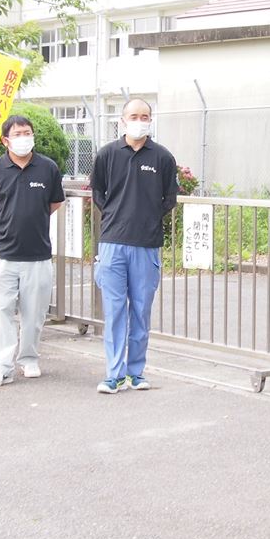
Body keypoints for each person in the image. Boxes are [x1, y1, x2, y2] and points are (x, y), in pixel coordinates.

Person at [90, 97, 178, 394]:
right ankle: (113, 374)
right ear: (123, 120)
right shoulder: (107, 154)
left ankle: (136, 372)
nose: (139, 120)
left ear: (151, 119)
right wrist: (116, 216)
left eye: (145, 115)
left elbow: (170, 198)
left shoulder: (162, 158)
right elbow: (98, 193)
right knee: (114, 312)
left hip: (146, 244)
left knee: (141, 311)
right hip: (112, 243)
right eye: (134, 115)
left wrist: (148, 217)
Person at [0, 115, 65, 387]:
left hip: (38, 254)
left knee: (34, 313)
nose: (24, 137)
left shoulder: (47, 168)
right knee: (2, 311)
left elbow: (54, 203)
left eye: (27, 132)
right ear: (6, 140)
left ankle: (29, 358)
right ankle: (2, 365)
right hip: (3, 254)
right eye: (17, 134)